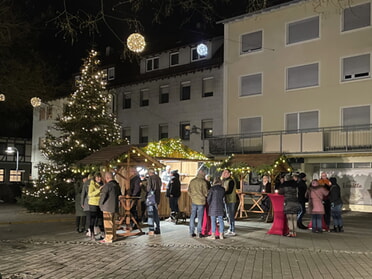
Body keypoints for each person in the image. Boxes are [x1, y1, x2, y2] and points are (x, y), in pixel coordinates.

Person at [99, 172, 121, 243]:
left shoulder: (107, 186)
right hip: (114, 206)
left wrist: (100, 204)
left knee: (108, 223)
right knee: (113, 223)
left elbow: (103, 196)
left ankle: (108, 238)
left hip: (107, 207)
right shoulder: (117, 185)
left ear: (107, 178)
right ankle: (114, 236)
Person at [188, 168, 209, 238]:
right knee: (200, 217)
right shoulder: (203, 182)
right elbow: (206, 193)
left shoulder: (192, 181)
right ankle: (199, 232)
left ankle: (191, 231)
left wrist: (192, 196)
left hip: (194, 201)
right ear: (202, 174)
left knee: (192, 216)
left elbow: (189, 191)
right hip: (201, 201)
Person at [88, 172, 105, 240]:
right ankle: (92, 234)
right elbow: (90, 194)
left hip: (100, 204)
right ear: (95, 178)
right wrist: (99, 190)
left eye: (100, 177)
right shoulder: (92, 184)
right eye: (98, 177)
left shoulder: (102, 184)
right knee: (93, 219)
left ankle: (102, 233)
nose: (99, 178)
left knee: (100, 218)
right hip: (93, 204)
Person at [222, 169, 237, 236]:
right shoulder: (225, 180)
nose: (224, 174)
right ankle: (230, 228)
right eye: (223, 172)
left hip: (231, 200)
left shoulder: (231, 181)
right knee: (228, 215)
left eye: (225, 172)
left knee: (231, 215)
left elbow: (229, 191)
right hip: (226, 199)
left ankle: (232, 229)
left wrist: (222, 192)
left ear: (229, 173)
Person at [146, 168, 162, 235]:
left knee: (150, 214)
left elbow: (148, 188)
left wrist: (144, 186)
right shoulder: (158, 178)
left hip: (151, 198)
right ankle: (158, 228)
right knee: (156, 214)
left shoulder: (150, 178)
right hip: (157, 198)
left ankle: (151, 230)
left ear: (149, 173)